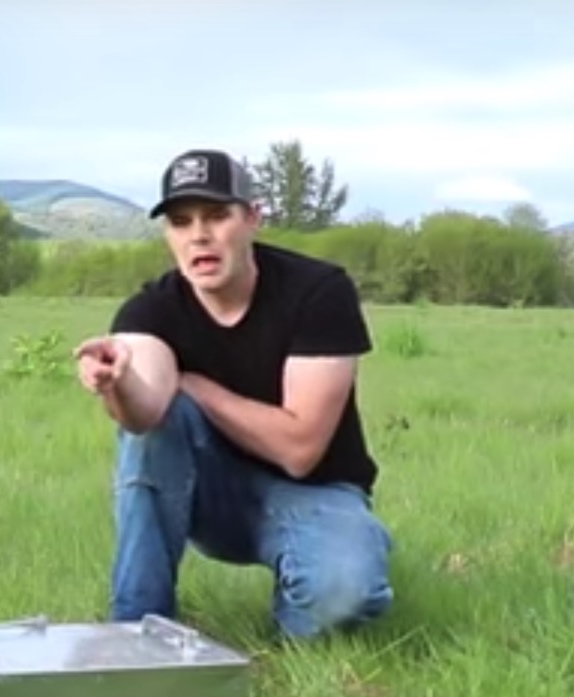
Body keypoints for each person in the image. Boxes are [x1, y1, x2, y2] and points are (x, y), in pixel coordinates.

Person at [72, 148, 394, 640]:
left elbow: (300, 450)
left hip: (316, 491)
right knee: (155, 426)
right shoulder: (152, 309)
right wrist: (117, 383)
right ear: (169, 236)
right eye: (181, 222)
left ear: (252, 218)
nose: (199, 234)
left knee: (343, 592)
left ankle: (314, 593)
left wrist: (196, 385)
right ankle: (134, 633)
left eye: (217, 216)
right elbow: (146, 415)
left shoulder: (318, 292)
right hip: (210, 496)